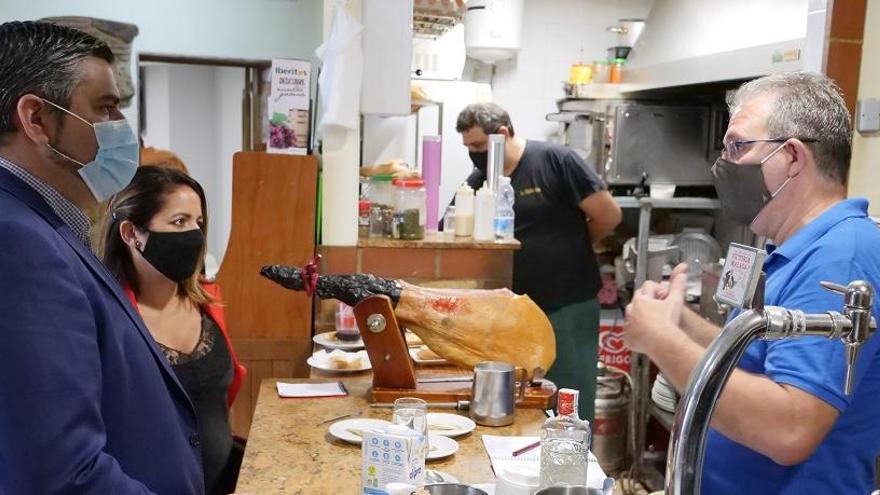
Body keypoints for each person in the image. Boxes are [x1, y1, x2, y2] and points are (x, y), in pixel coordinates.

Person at [623, 71, 880, 494]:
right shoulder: (797, 248)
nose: (722, 166)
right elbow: (752, 359)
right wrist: (682, 324)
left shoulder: (840, 256)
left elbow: (790, 429)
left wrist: (661, 343)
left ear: (793, 157)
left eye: (737, 148)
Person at [0, 21, 203, 493]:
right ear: (37, 119)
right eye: (106, 107)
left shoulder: (46, 225)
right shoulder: (19, 242)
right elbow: (60, 474)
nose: (122, 130)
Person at [456, 103, 622, 420]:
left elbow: (609, 216)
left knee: (568, 402)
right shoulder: (482, 179)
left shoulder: (555, 161)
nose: (474, 154)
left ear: (502, 133)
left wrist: (574, 245)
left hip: (567, 305)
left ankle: (575, 467)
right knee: (519, 404)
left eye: (478, 145)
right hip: (515, 313)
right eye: (468, 148)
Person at [101, 165, 247, 494]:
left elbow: (218, 404)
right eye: (179, 222)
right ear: (131, 234)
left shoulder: (207, 303)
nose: (194, 235)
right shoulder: (107, 319)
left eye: (199, 223)